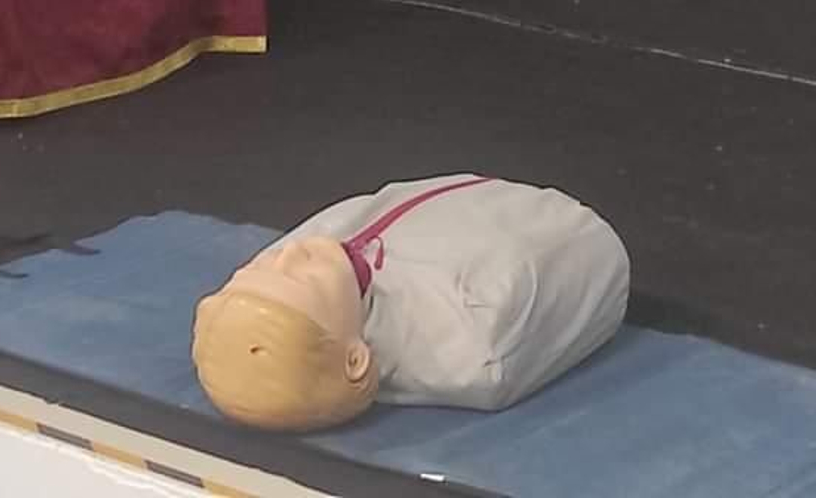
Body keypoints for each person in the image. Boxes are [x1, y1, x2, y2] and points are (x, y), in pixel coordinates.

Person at [192, 174, 630, 432]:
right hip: (568, 229)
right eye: (299, 278)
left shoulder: (323, 259)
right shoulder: (475, 337)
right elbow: (574, 254)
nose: (289, 254)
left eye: (260, 268)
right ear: (356, 359)